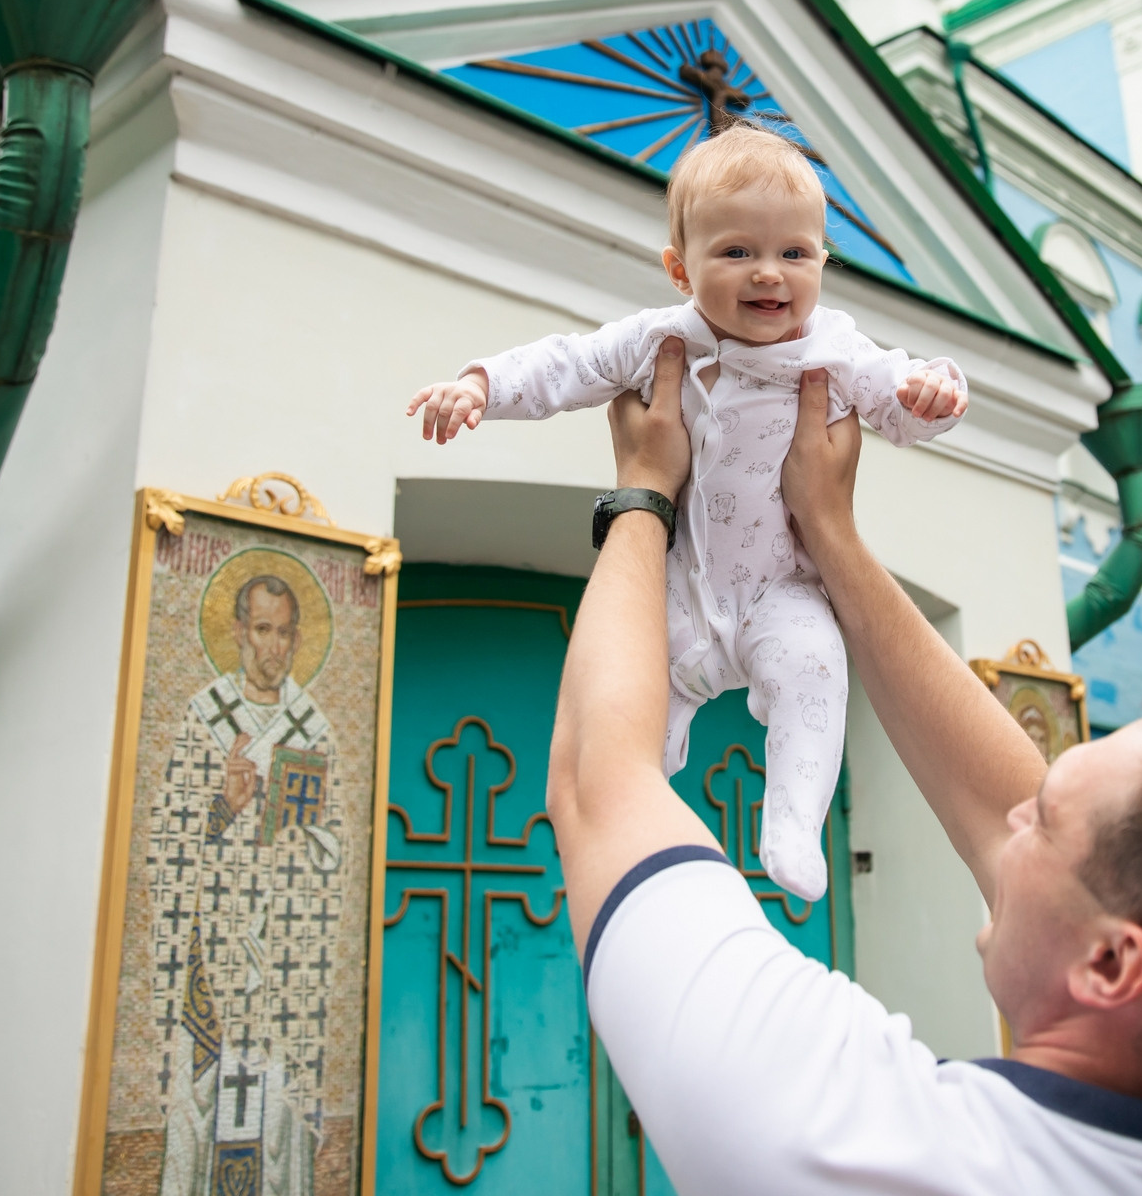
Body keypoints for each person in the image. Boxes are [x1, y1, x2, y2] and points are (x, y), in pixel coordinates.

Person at [545, 340, 1142, 1194]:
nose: (1016, 816)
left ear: (1113, 966)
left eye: (1048, 823)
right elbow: (1023, 812)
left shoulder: (846, 1139)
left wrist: (644, 492)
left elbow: (600, 784)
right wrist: (831, 537)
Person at [405, 120, 966, 900]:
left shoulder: (835, 347)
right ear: (680, 268)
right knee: (635, 696)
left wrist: (935, 391)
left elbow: (901, 401)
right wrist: (479, 388)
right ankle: (637, 815)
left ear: (823, 262)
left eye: (795, 254)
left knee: (816, 670)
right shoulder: (661, 339)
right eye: (737, 252)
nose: (769, 274)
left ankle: (793, 820)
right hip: (684, 587)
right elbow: (567, 363)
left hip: (784, 591)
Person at [147, 569, 341, 1196]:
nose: (273, 647)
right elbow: (166, 838)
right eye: (262, 629)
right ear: (237, 631)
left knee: (275, 1112)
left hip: (284, 962)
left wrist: (301, 830)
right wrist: (224, 808)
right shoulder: (205, 717)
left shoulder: (312, 727)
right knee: (203, 1103)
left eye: (285, 633)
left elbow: (334, 847)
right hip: (213, 961)